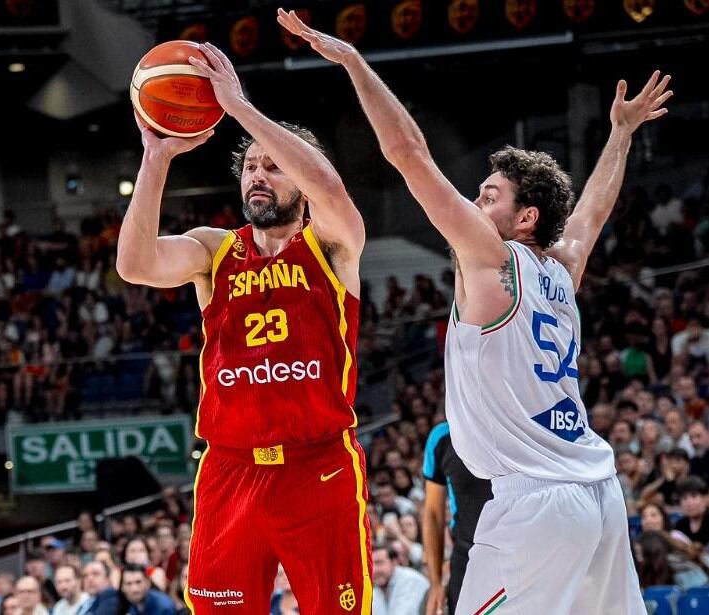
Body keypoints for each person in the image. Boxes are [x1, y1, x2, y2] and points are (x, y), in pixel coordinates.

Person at [278, 10, 672, 613]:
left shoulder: (493, 258)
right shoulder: (562, 267)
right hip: (596, 492)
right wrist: (619, 135)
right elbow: (590, 213)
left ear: (525, 219)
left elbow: (408, 152)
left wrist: (353, 62)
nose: (470, 201)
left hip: (535, 505)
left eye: (488, 196)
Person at [117, 41, 369, 614]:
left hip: (318, 467)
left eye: (274, 166)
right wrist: (155, 159)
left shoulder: (331, 246)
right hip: (230, 468)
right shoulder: (214, 250)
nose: (258, 174)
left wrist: (240, 108)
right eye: (251, 165)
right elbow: (134, 265)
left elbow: (330, 190)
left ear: (300, 180)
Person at [422, 421, 492, 615]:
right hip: (467, 560)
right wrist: (435, 583)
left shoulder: (518, 421)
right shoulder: (443, 436)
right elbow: (433, 514)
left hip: (522, 555)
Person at [370, 543, 429, 615]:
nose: (374, 570)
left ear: (394, 562)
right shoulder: (376, 589)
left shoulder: (410, 581)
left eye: (379, 563)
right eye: (370, 565)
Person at [674, 477, 709, 546]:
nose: (689, 503)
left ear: (706, 498)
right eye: (684, 498)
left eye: (694, 496)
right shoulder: (679, 527)